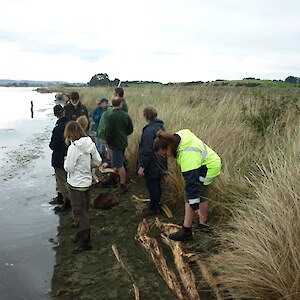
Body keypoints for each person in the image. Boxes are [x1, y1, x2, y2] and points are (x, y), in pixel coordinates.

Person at [154, 129, 221, 241]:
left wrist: (195, 206)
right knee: (201, 195)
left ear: (169, 146)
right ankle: (202, 225)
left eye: (165, 154)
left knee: (189, 196)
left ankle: (186, 231)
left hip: (208, 168)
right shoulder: (180, 136)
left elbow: (192, 185)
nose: (166, 157)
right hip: (210, 162)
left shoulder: (187, 156)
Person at [64, 121, 102, 251]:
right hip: (87, 182)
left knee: (79, 212)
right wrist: (87, 166)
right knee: (84, 209)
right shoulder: (89, 143)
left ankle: (85, 241)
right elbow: (98, 161)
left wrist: (66, 161)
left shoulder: (73, 147)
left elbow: (68, 168)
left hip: (75, 185)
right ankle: (80, 234)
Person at [138, 106, 167, 214]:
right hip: (161, 162)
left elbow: (146, 150)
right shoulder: (161, 127)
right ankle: (156, 204)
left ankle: (154, 208)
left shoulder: (149, 130)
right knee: (157, 184)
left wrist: (142, 166)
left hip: (152, 163)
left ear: (146, 116)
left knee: (152, 185)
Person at [105, 97, 133, 194]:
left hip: (115, 144)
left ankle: (123, 185)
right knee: (118, 162)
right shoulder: (125, 115)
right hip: (123, 142)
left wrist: (108, 142)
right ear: (120, 104)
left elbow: (108, 132)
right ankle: (112, 179)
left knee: (119, 165)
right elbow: (130, 130)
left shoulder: (111, 116)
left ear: (112, 104)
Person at [49, 104, 70, 212]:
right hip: (70, 156)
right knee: (68, 179)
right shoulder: (70, 124)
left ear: (55, 114)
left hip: (59, 158)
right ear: (64, 112)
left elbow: (53, 145)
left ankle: (67, 202)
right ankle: (63, 198)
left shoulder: (57, 128)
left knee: (61, 180)